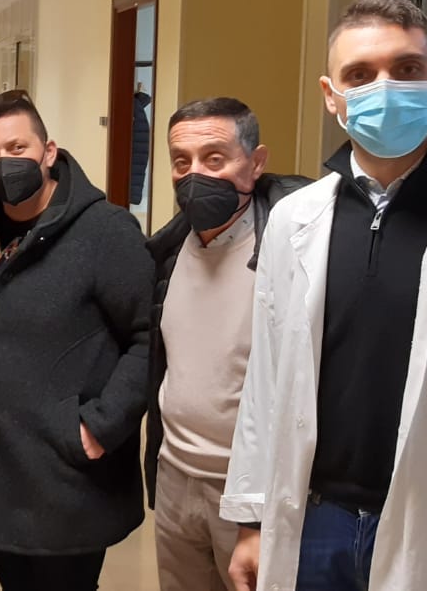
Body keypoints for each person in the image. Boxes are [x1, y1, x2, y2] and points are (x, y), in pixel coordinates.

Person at [224, 0, 427, 591]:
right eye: (360, 75)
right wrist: (251, 518)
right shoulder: (294, 219)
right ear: (331, 95)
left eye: (407, 68)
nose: (385, 88)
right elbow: (266, 382)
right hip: (315, 521)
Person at [0, 90, 150, 590]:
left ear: (49, 152)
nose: (3, 163)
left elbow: (148, 339)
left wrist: (100, 426)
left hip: (67, 473)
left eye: (17, 148)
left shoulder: (104, 232)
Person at [143, 98, 310, 591]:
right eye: (181, 161)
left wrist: (257, 511)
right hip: (175, 479)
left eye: (215, 158)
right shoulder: (167, 253)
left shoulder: (294, 251)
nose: (195, 174)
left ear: (256, 163)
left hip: (254, 493)